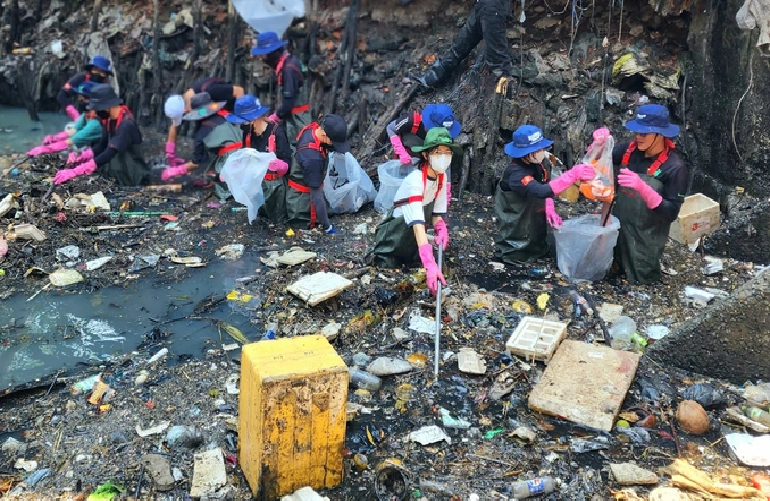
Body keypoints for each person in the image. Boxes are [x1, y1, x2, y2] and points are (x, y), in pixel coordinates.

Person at [593, 104, 687, 284]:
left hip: (645, 237)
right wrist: (598, 145)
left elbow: (671, 212)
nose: (638, 137)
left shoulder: (675, 167)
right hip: (619, 228)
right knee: (609, 273)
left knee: (641, 281)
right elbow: (599, 159)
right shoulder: (630, 150)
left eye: (644, 133)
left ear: (660, 134)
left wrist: (645, 190)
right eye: (637, 132)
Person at [372, 127, 460, 296]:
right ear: (426, 155)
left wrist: (441, 227)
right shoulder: (415, 181)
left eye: (447, 152)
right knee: (390, 273)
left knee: (412, 264)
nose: (443, 157)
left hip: (413, 237)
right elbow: (418, 225)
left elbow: (435, 214)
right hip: (394, 235)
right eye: (437, 152)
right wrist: (430, 264)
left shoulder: (441, 177)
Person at [494, 125, 595, 264]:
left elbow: (544, 183)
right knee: (517, 241)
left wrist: (549, 206)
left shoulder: (536, 164)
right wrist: (571, 176)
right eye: (537, 150)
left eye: (541, 149)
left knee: (536, 232)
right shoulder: (516, 173)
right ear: (526, 153)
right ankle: (514, 255)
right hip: (516, 217)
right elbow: (539, 190)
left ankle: (536, 248)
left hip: (533, 215)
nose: (541, 152)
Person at [53, 84, 149, 186]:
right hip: (116, 175)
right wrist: (82, 157)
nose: (96, 112)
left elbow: (109, 153)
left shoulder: (126, 125)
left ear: (106, 107)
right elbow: (101, 146)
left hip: (133, 178)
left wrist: (77, 171)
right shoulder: (108, 120)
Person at [225, 94, 293, 223]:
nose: (241, 125)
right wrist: (233, 169)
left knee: (277, 222)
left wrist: (280, 165)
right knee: (261, 217)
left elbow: (288, 163)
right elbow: (246, 155)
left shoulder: (276, 132)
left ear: (254, 118)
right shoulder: (247, 133)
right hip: (256, 184)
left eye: (243, 121)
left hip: (275, 187)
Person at [416, 0, 513, 88]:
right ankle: (428, 81)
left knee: (497, 58)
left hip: (494, 7)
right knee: (458, 47)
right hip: (482, 5)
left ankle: (505, 92)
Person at [387, 103, 462, 205]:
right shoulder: (411, 120)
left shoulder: (444, 135)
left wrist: (446, 191)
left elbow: (445, 164)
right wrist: (401, 151)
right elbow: (390, 128)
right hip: (409, 154)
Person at [288, 114, 350, 233]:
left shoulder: (312, 129)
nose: (334, 145)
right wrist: (328, 227)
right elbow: (316, 196)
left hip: (307, 177)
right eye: (334, 142)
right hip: (301, 205)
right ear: (323, 135)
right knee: (311, 214)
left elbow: (327, 145)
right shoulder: (312, 158)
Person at [251, 32, 310, 146]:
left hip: (297, 119)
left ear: (273, 52)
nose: (261, 58)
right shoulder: (287, 62)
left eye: (263, 54)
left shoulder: (289, 69)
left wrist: (275, 116)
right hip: (294, 116)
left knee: (297, 146)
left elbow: (289, 101)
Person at [161, 92, 230, 183]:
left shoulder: (202, 135)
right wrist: (170, 153)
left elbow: (196, 163)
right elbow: (174, 124)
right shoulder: (196, 100)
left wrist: (176, 171)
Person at [28, 82, 102, 156]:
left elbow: (73, 141)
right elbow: (75, 130)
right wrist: (54, 138)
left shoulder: (96, 122)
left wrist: (47, 149)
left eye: (82, 96)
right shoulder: (87, 114)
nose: (79, 98)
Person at [56, 55, 113, 121]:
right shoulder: (80, 78)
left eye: (105, 74)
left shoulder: (104, 83)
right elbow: (61, 96)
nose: (104, 75)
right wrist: (72, 110)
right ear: (94, 69)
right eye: (102, 72)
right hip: (76, 112)